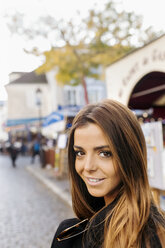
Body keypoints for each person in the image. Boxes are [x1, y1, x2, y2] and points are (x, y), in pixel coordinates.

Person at [51, 99, 165, 248]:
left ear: (131, 157)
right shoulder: (72, 234)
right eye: (80, 153)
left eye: (104, 153)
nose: (88, 166)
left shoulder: (72, 239)